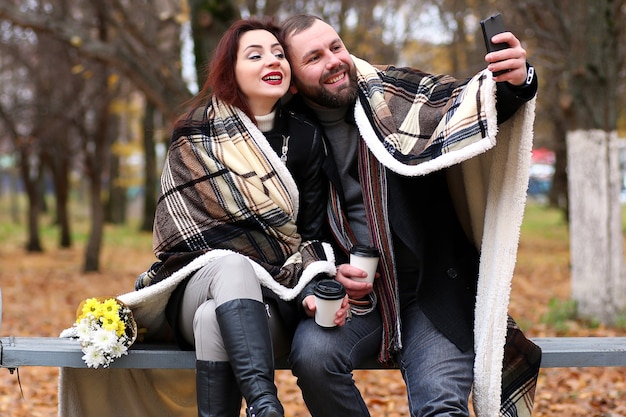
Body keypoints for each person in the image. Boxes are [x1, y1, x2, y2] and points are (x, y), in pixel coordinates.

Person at [280, 14, 541, 417]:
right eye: (313, 57)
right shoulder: (285, 136)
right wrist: (325, 273)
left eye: (335, 47)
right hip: (351, 296)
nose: (333, 61)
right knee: (314, 358)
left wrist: (516, 80)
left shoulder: (395, 94)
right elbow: (287, 230)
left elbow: (469, 108)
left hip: (430, 290)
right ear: (293, 80)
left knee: (440, 405)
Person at [134, 18, 348, 417]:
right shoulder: (194, 133)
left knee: (213, 319)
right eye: (255, 55)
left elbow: (313, 235)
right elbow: (178, 232)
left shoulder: (305, 136)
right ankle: (266, 405)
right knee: (229, 267)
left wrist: (310, 291)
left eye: (280, 54)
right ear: (230, 71)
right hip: (194, 281)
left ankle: (262, 409)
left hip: (273, 295)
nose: (273, 61)